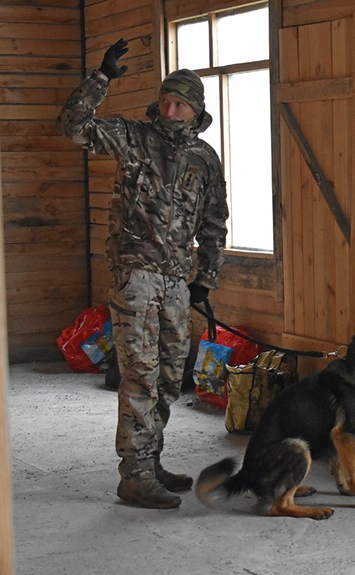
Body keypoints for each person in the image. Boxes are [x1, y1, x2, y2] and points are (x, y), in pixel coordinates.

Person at [57, 38, 229, 509]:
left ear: (195, 111)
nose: (170, 110)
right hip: (135, 275)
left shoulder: (204, 158)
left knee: (171, 374)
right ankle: (133, 476)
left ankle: (150, 462)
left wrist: (206, 279)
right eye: (166, 101)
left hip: (176, 281)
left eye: (180, 105)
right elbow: (72, 125)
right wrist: (101, 78)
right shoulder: (134, 137)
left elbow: (214, 221)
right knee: (140, 372)